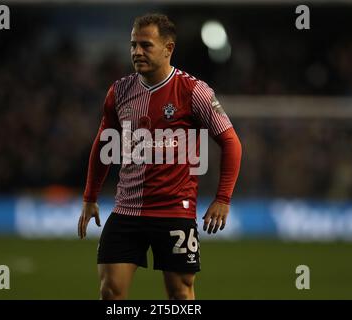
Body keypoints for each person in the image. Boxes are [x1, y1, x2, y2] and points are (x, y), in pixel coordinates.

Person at [78, 13, 242, 300]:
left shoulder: (194, 91)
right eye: (133, 45)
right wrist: (90, 197)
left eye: (146, 45)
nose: (137, 52)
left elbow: (231, 143)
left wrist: (223, 198)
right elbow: (103, 145)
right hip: (127, 210)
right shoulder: (119, 91)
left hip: (174, 212)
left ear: (168, 49)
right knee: (110, 291)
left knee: (180, 292)